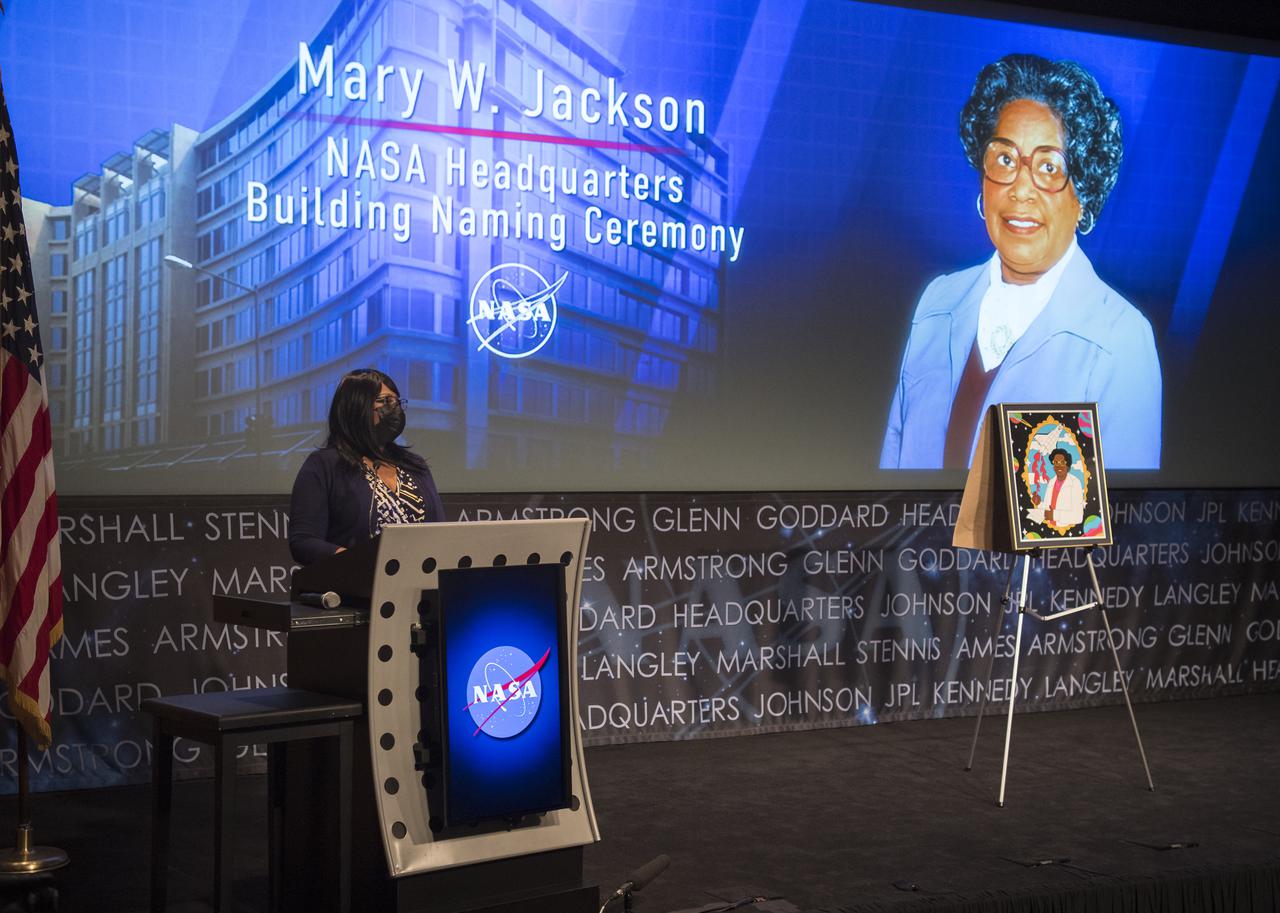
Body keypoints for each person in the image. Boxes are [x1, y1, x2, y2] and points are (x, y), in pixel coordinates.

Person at [880, 54, 1161, 470]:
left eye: (1049, 167)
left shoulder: (1120, 342)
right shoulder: (937, 304)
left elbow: (1119, 525)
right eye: (1005, 160)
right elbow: (890, 489)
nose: (1020, 190)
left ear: (1084, 196)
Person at [289, 368, 444, 565]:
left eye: (397, 402)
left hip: (419, 586)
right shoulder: (324, 465)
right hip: (356, 587)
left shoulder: (415, 465)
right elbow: (303, 542)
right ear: (357, 407)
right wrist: (359, 562)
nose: (395, 408)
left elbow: (439, 532)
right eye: (386, 401)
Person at [1028, 447, 1084, 529]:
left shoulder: (1075, 483)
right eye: (1056, 462)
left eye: (1062, 462)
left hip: (1065, 532)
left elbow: (1078, 517)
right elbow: (1048, 510)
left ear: (1068, 466)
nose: (1059, 466)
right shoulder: (1051, 482)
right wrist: (1039, 503)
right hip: (1049, 528)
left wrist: (1054, 515)